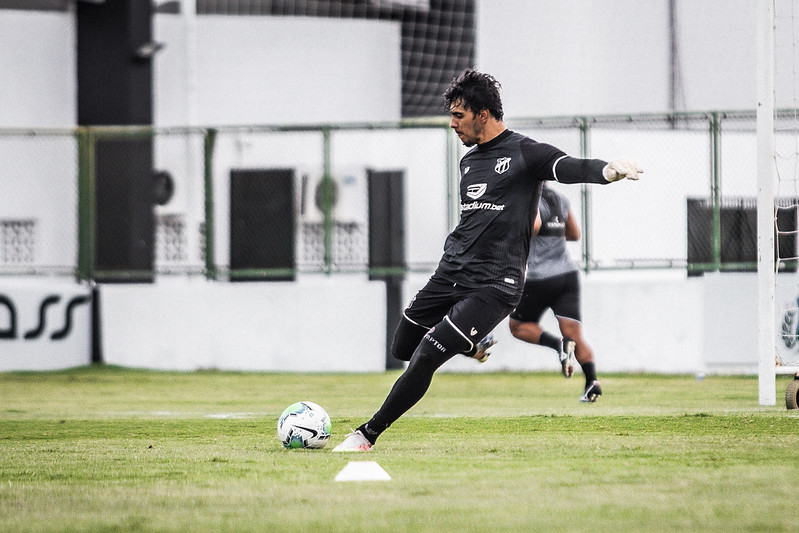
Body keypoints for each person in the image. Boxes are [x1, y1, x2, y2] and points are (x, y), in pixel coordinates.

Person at [333, 68, 642, 452]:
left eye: (458, 115)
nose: (451, 124)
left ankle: (366, 435)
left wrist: (607, 171)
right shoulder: (468, 163)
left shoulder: (525, 152)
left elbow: (567, 166)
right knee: (402, 347)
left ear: (483, 114)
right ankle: (471, 342)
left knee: (428, 354)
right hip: (451, 272)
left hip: (496, 283)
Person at [508, 183, 602, 402]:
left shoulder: (530, 200)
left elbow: (531, 227)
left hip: (540, 278)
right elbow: (574, 233)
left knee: (518, 326)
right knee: (575, 335)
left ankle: (558, 345)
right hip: (567, 275)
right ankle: (592, 382)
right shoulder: (560, 199)